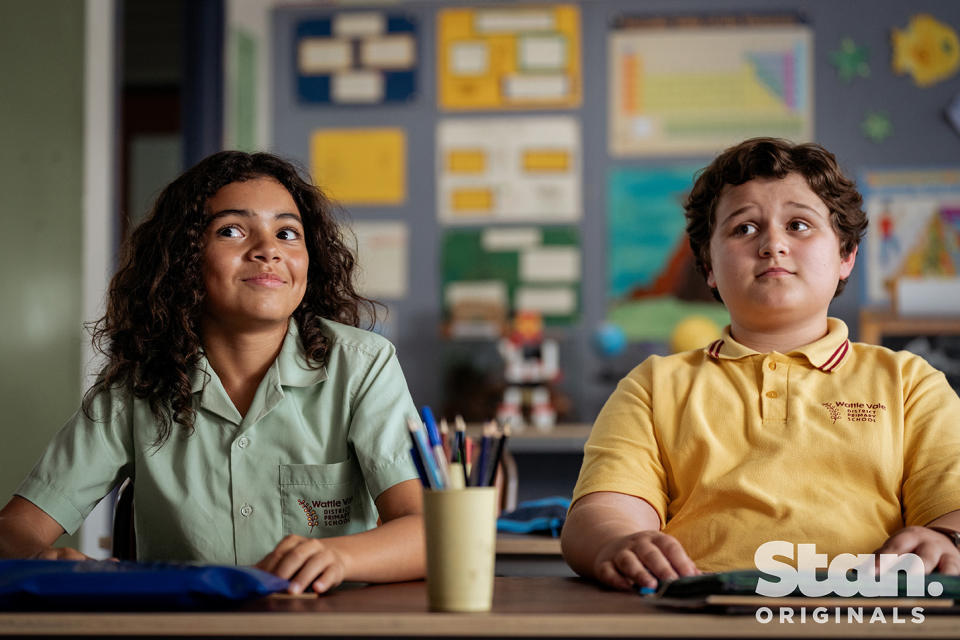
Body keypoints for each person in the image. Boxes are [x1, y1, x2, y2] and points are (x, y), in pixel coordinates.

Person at [0, 151, 424, 595]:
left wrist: (339, 557)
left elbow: (427, 533)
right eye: (232, 230)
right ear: (184, 258)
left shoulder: (362, 365)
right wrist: (41, 557)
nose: (268, 250)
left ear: (309, 260)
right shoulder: (137, 387)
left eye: (287, 233)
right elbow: (15, 529)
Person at [561, 137, 960, 591]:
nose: (773, 244)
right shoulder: (653, 387)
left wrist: (945, 538)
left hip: (865, 613)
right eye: (744, 229)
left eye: (799, 225)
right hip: (701, 616)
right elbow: (603, 512)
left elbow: (952, 509)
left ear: (846, 256)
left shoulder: (911, 384)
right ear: (709, 266)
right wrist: (618, 542)